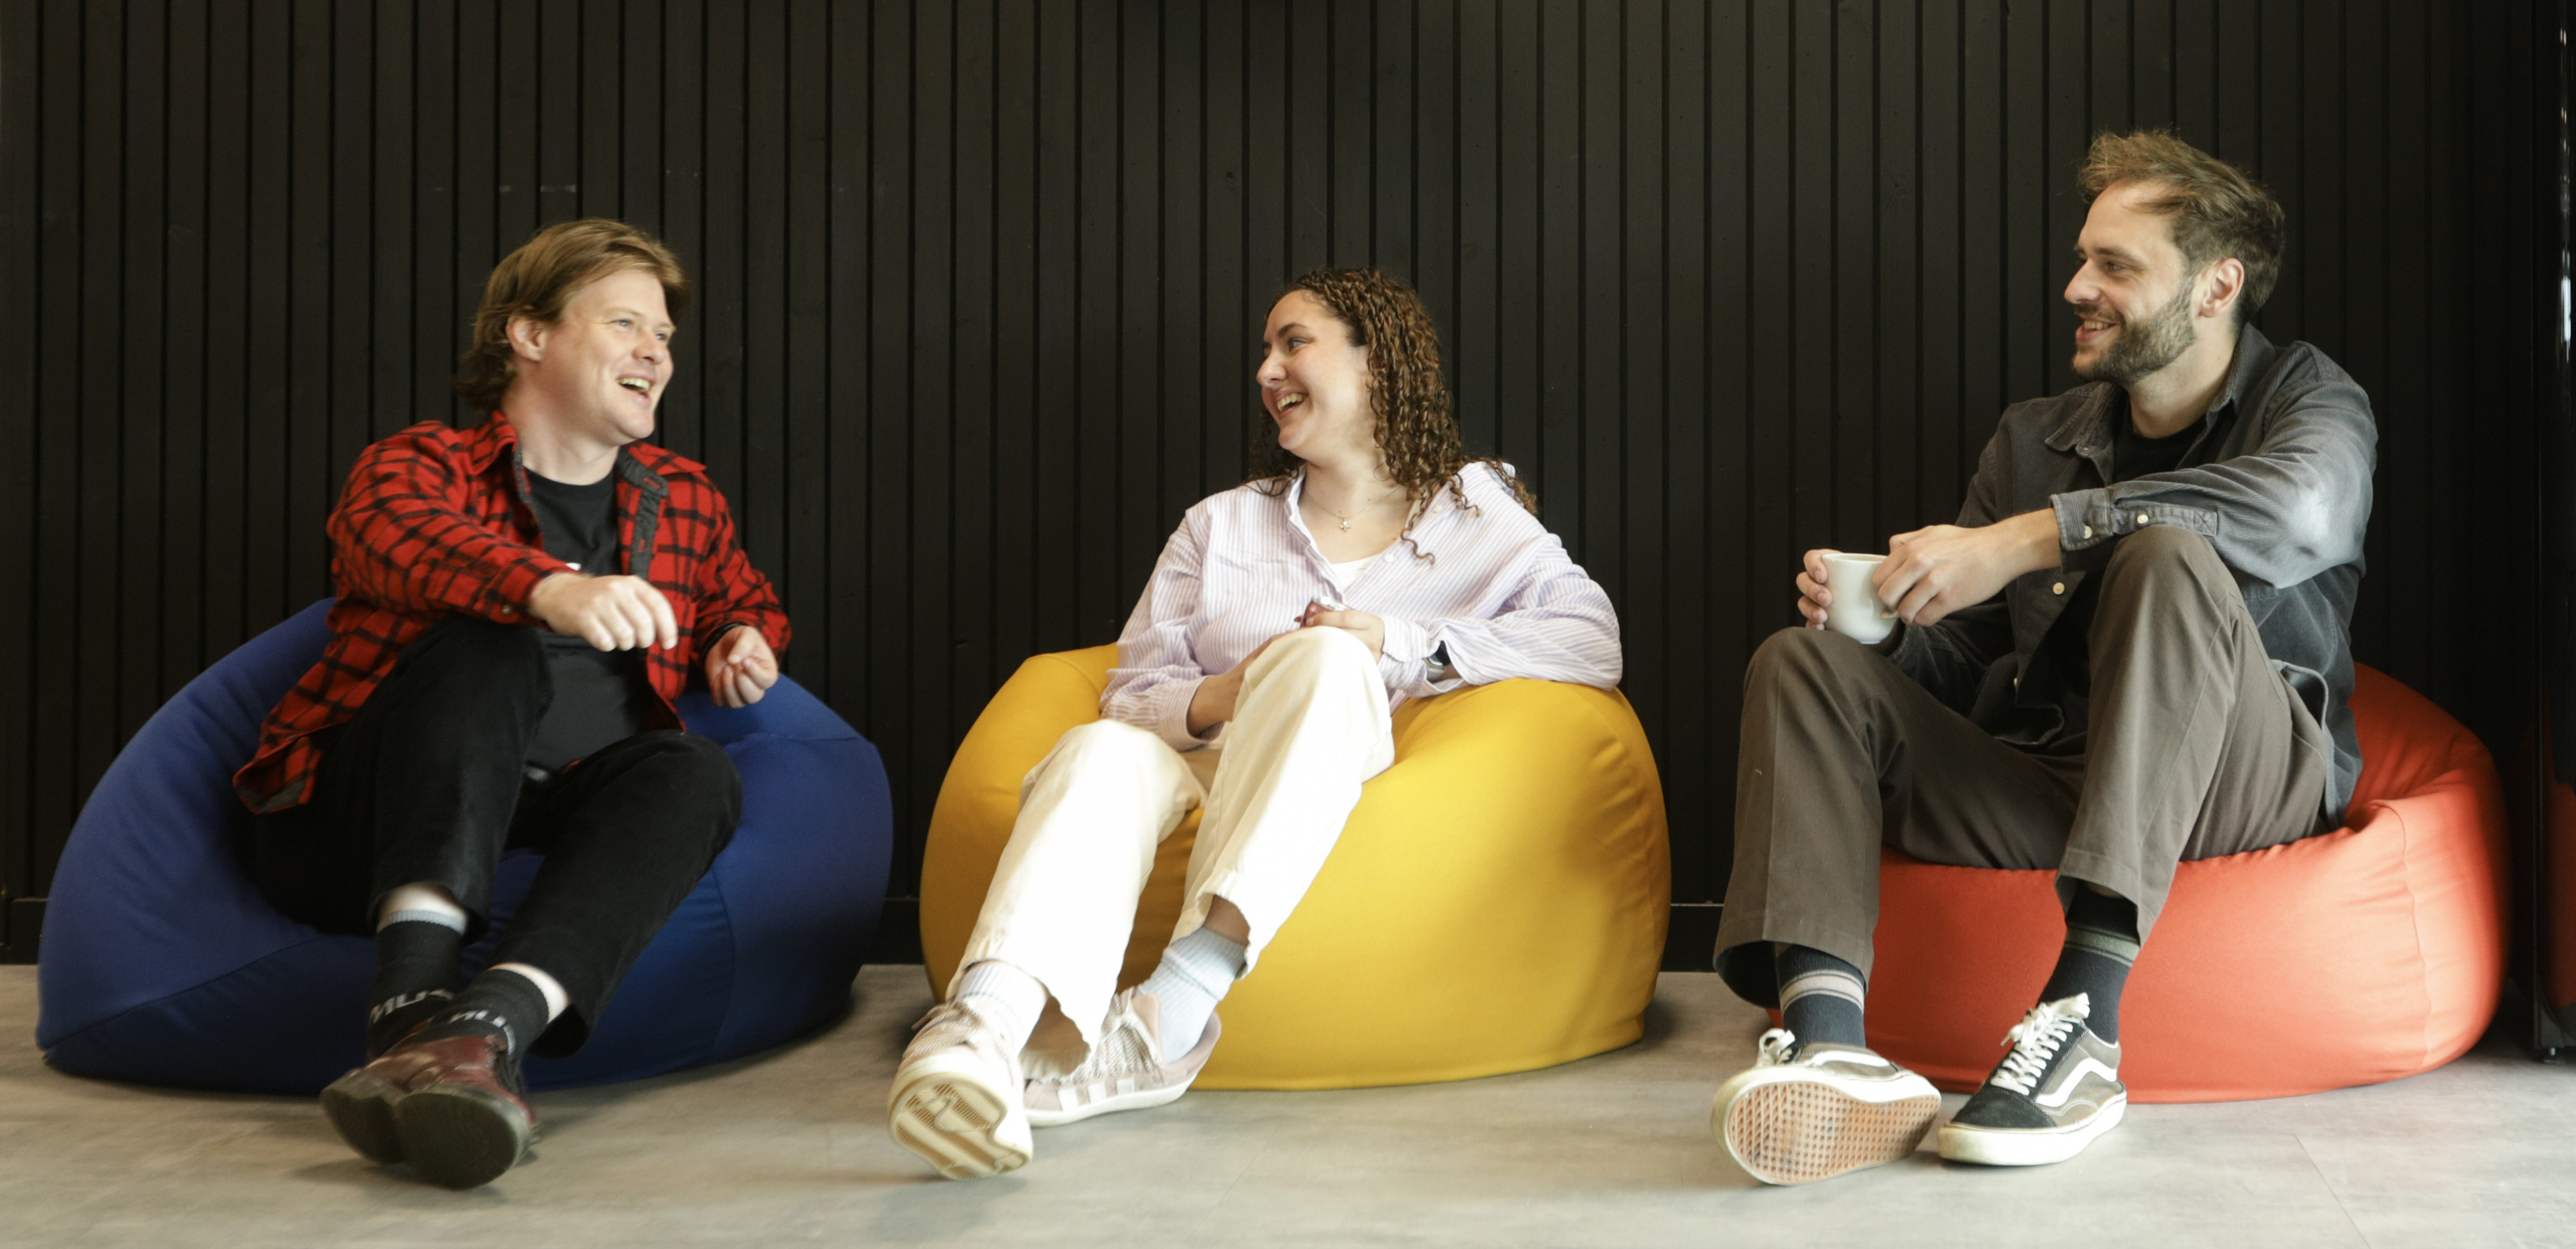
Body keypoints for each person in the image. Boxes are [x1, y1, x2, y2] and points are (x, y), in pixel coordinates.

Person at [1707, 131, 2374, 1183]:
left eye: (2116, 265)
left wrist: (2027, 538)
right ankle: (1831, 1046)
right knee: (1802, 663)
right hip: (2058, 774)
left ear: (2217, 286)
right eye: (2082, 259)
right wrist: (1886, 630)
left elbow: (2301, 515)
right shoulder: (2033, 436)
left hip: (2241, 781)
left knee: (2164, 554)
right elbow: (1967, 665)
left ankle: (2083, 1026)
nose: (2078, 287)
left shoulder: (2312, 400)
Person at [889, 266, 1621, 1178]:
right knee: (1098, 748)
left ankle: (1174, 1002)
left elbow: (1589, 641)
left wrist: (1392, 640)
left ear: (1379, 362)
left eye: (1294, 342)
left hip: (1347, 782)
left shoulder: (1476, 512)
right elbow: (1130, 690)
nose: (1267, 369)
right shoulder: (1221, 526)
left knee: (1326, 657)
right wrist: (1223, 694)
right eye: (1266, 350)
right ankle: (981, 1030)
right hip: (1198, 769)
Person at [236, 219, 791, 1191]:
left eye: (663, 335)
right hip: (360, 825)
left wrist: (741, 644)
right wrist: (548, 589)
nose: (655, 353)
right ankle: (407, 1003)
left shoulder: (683, 498)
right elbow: (391, 537)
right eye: (625, 323)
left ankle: (484, 1031)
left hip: (554, 804)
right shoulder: (423, 465)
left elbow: (743, 599)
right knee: (488, 645)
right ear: (528, 336)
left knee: (694, 769)